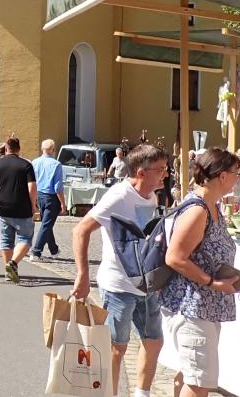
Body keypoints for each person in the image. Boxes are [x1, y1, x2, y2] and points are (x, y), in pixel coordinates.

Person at [72, 144, 167, 397]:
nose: (165, 174)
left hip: (146, 285)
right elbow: (80, 230)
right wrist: (82, 275)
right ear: (141, 172)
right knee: (116, 347)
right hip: (118, 286)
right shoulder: (118, 196)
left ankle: (141, 393)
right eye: (160, 169)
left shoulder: (152, 196)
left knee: (154, 341)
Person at [162, 148, 240, 397]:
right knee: (199, 382)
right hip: (192, 307)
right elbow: (175, 257)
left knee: (194, 375)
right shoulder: (198, 210)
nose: (238, 178)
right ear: (221, 176)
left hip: (203, 308)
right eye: (236, 173)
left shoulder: (212, 207)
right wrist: (211, 283)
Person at [0, 137, 38, 283]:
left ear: (6, 148)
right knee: (25, 239)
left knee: (6, 240)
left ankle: (8, 273)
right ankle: (13, 263)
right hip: (22, 207)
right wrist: (33, 205)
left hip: (3, 207)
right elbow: (32, 187)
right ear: (19, 148)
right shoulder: (26, 165)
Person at [30, 139, 67, 260]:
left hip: (39, 195)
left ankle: (54, 249)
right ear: (53, 149)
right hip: (51, 197)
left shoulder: (35, 162)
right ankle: (36, 251)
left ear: (42, 149)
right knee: (46, 225)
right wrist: (63, 203)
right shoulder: (56, 164)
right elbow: (58, 187)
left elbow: (32, 181)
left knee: (47, 223)